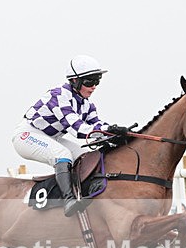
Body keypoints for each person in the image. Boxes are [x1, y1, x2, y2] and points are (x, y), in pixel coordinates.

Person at [12, 55, 130, 216]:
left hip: (53, 137)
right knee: (63, 154)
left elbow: (96, 125)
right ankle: (68, 200)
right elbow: (78, 129)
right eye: (89, 81)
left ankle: (84, 195)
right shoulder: (59, 95)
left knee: (85, 156)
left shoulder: (87, 104)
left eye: (97, 81)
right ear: (75, 81)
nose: (94, 86)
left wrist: (116, 132)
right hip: (27, 135)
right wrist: (109, 131)